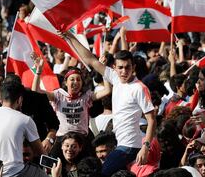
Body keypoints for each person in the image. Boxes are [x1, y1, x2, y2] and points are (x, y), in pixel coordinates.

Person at [61, 31, 156, 176]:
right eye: (120, 68)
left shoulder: (139, 88)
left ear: (133, 67)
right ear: (115, 67)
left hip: (130, 147)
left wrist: (146, 147)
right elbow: (91, 60)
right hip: (119, 144)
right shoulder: (115, 78)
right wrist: (70, 37)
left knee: (101, 174)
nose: (124, 71)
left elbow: (152, 120)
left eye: (127, 67)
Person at [32, 57, 111, 155]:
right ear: (66, 82)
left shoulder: (86, 96)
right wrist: (38, 71)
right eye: (72, 79)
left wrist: (103, 68)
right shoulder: (58, 95)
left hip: (82, 139)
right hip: (62, 139)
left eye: (78, 80)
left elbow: (107, 90)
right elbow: (35, 91)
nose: (76, 82)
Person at [0, 80, 47, 177]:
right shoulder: (25, 120)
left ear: (0, 99)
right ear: (20, 100)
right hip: (15, 173)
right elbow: (40, 152)